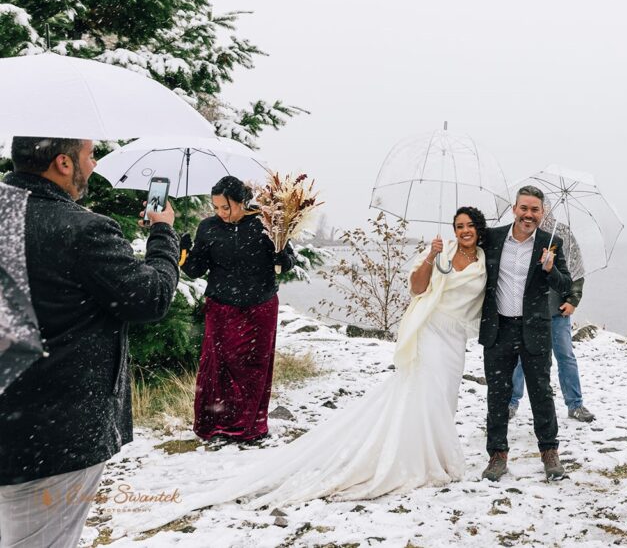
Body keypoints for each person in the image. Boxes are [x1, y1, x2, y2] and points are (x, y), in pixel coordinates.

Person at [114, 207, 488, 533]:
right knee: (420, 389)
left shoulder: (486, 261)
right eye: (458, 225)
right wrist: (430, 257)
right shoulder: (441, 251)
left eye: (469, 225)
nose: (463, 231)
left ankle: (438, 449)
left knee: (444, 392)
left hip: (455, 337)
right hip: (428, 329)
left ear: (478, 229)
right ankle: (413, 455)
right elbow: (417, 288)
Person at [0, 136, 179, 548]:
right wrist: (164, 233)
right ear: (63, 162)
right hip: (50, 432)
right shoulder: (81, 229)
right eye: (89, 156)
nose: (94, 165)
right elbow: (149, 298)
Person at [179, 175, 297, 443]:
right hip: (221, 307)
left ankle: (248, 427)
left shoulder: (267, 224)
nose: (221, 213)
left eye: (226, 207)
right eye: (216, 207)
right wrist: (183, 251)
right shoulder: (208, 227)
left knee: (254, 368)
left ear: (243, 202)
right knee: (217, 368)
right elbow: (196, 270)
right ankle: (216, 426)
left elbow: (288, 260)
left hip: (260, 307)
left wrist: (281, 258)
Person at [479, 186, 572, 482]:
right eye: (524, 208)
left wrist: (549, 269)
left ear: (542, 214)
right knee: (498, 393)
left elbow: (566, 286)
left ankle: (549, 452)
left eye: (534, 210)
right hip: (498, 328)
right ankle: (497, 455)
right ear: (514, 209)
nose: (528, 215)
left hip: (535, 329)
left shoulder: (551, 243)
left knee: (541, 393)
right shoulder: (493, 238)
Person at [508, 275, 594, 422]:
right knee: (521, 357)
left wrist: (572, 301)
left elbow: (577, 274)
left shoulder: (570, 250)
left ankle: (575, 405)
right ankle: (510, 403)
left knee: (566, 357)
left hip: (558, 311)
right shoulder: (525, 250)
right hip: (529, 310)